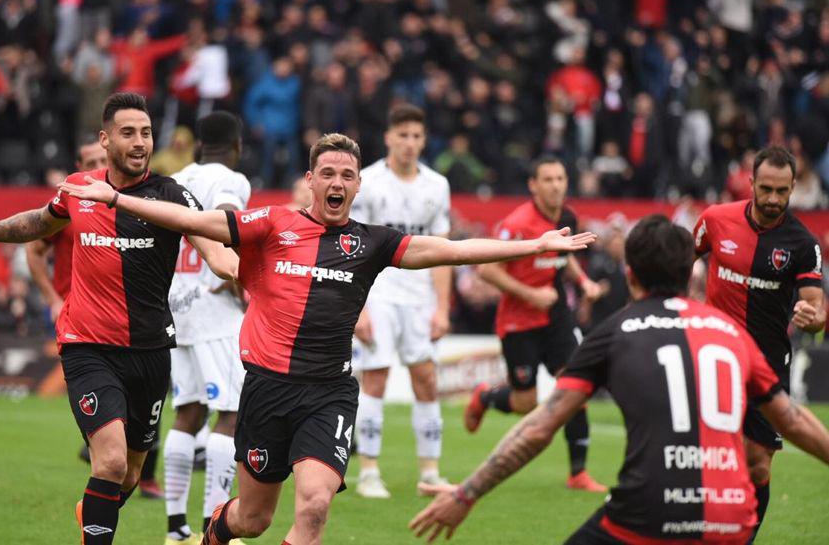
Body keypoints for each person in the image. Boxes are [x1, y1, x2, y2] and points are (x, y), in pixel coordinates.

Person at [53, 132, 596, 545]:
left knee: (313, 506)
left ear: (359, 185)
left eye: (347, 175)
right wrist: (119, 201)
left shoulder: (372, 243)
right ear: (311, 180)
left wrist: (532, 246)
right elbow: (188, 219)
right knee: (254, 519)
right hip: (267, 391)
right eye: (328, 173)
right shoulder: (273, 225)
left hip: (329, 394)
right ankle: (215, 532)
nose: (337, 183)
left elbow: (450, 249)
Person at [409, 215, 829, 544]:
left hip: (647, 512)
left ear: (630, 274)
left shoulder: (615, 333)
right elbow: (792, 421)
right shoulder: (733, 334)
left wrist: (466, 494)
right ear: (690, 275)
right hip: (732, 516)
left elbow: (539, 428)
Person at [0, 92, 234, 544]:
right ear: (106, 138)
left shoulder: (172, 195)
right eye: (128, 133)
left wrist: (246, 273)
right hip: (88, 346)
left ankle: (95, 507)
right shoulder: (78, 188)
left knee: (130, 474)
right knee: (112, 461)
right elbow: (40, 222)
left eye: (146, 133)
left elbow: (218, 254)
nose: (140, 142)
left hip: (151, 352)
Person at [693, 145, 826, 539]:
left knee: (758, 467)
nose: (772, 199)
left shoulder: (803, 244)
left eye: (781, 191)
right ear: (750, 183)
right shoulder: (715, 220)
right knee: (700, 458)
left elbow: (816, 311)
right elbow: (681, 257)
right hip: (713, 357)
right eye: (765, 188)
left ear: (793, 188)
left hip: (766, 364)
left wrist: (812, 318)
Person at [25, 137, 166, 499]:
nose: (96, 168)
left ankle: (133, 473)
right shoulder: (73, 201)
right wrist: (52, 298)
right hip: (82, 328)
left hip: (137, 331)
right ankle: (105, 444)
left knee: (126, 471)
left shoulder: (139, 204)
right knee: (111, 460)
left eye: (99, 160)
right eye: (89, 161)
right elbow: (35, 246)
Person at [464, 156, 606, 492]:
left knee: (576, 387)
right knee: (524, 403)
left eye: (560, 178)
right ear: (533, 185)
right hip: (519, 322)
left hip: (556, 318)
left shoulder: (568, 216)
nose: (556, 185)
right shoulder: (517, 224)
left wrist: (583, 282)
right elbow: (486, 269)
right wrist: (529, 294)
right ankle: (486, 397)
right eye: (548, 179)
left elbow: (564, 254)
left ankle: (578, 473)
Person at [350, 103, 453, 498]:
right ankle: (370, 472)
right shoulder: (370, 182)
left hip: (419, 296)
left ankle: (430, 472)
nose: (410, 143)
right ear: (389, 137)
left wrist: (442, 307)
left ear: (423, 140)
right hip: (378, 293)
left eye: (416, 136)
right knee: (375, 377)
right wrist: (358, 307)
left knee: (426, 379)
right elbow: (355, 249)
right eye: (403, 135)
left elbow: (443, 251)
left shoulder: (437, 185)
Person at [162, 111, 249, 545]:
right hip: (216, 310)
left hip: (177, 308)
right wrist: (237, 279)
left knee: (187, 413)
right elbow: (229, 220)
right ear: (236, 146)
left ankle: (175, 529)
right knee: (230, 415)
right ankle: (215, 531)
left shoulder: (176, 178)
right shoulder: (231, 180)